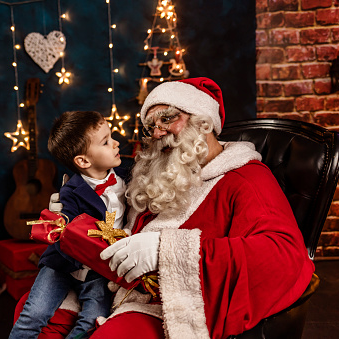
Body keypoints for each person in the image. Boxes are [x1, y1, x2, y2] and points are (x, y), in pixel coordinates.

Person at [16, 77, 315, 339]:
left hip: (172, 302)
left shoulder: (247, 178)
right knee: (33, 312)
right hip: (112, 286)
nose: (158, 132)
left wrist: (165, 250)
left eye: (168, 118)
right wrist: (70, 212)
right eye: (151, 126)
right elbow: (111, 217)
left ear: (202, 119)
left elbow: (282, 254)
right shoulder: (160, 172)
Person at [9, 110, 127, 339]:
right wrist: (60, 220)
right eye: (106, 142)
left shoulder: (127, 175)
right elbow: (65, 225)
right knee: (34, 314)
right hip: (62, 264)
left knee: (91, 321)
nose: (116, 143)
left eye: (111, 136)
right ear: (83, 161)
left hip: (98, 269)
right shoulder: (70, 192)